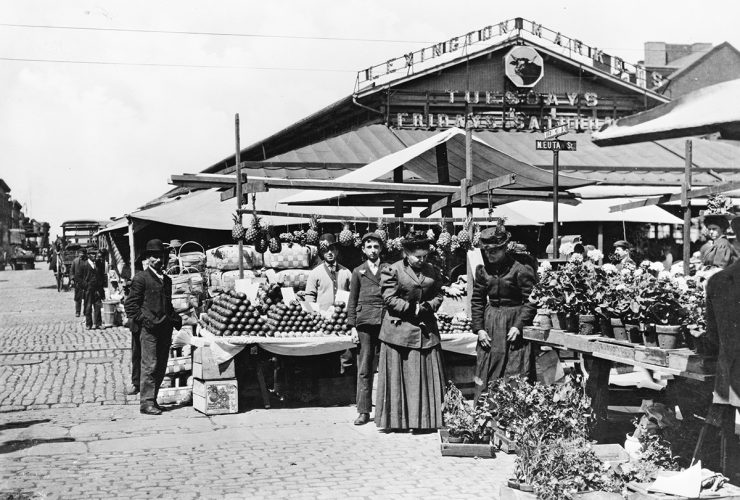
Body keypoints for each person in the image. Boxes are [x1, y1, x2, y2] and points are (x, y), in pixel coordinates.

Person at [375, 230, 445, 431]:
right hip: (400, 331)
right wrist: (410, 308)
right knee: (403, 378)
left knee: (422, 376)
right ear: (406, 253)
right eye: (417, 256)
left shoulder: (432, 269)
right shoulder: (392, 270)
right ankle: (399, 421)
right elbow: (388, 298)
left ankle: (425, 420)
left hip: (426, 330)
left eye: (425, 256)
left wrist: (430, 306)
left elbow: (439, 293)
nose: (422, 260)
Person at [471, 223, 537, 401]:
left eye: (494, 251)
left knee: (514, 367)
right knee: (488, 365)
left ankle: (511, 412)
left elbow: (530, 301)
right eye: (486, 251)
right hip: (491, 324)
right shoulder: (483, 271)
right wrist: (479, 329)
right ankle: (486, 412)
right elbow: (477, 300)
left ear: (504, 248)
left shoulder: (521, 269)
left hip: (513, 324)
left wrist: (519, 326)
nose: (489, 255)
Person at [124, 239, 188, 415]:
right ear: (147, 259)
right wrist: (144, 320)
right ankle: (146, 402)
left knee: (161, 366)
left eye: (161, 256)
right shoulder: (140, 279)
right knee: (149, 365)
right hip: (149, 330)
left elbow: (167, 305)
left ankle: (154, 399)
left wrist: (176, 319)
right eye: (154, 257)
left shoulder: (166, 280)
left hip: (165, 329)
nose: (158, 260)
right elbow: (130, 305)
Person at [704, 216, 740, 474]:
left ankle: (730, 471)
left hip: (732, 376)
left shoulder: (718, 281)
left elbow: (712, 338)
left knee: (728, 427)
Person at [347, 232, 388, 426]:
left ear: (381, 249)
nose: (373, 250)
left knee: (388, 365)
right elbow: (352, 300)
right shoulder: (358, 271)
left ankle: (386, 409)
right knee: (364, 367)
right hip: (364, 324)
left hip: (385, 322)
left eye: (376, 247)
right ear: (363, 250)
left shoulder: (388, 269)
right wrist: (352, 327)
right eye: (369, 247)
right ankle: (363, 410)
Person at [304, 233, 352, 311]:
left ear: (337, 251)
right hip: (322, 318)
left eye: (332, 249)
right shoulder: (315, 273)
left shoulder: (346, 272)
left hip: (342, 317)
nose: (329, 252)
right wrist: (312, 314)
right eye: (325, 250)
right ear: (322, 253)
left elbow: (353, 294)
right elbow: (309, 296)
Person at [82, 250, 105, 330]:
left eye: (95, 254)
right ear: (88, 255)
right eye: (92, 254)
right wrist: (86, 286)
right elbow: (79, 278)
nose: (94, 256)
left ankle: (98, 323)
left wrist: (101, 288)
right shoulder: (84, 265)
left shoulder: (98, 264)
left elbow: (101, 276)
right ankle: (89, 324)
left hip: (97, 289)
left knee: (97, 306)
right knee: (88, 307)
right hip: (88, 290)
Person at [71, 248, 87, 317]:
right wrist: (72, 279)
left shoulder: (88, 261)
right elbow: (72, 271)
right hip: (78, 282)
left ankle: (86, 311)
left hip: (86, 281)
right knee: (78, 298)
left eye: (82, 254)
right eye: (80, 253)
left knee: (86, 297)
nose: (81, 255)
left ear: (85, 254)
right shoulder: (75, 261)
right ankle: (77, 312)